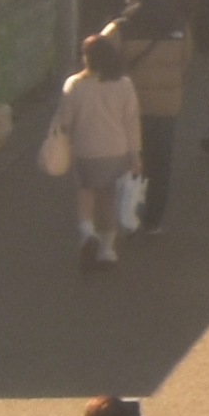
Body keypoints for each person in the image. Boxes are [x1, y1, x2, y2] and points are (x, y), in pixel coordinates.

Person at [53, 31, 143, 271]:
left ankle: (87, 233)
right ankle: (107, 250)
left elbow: (64, 120)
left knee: (86, 194)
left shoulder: (75, 84)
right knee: (108, 200)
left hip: (86, 149)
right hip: (117, 150)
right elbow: (131, 122)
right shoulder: (124, 84)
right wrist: (135, 155)